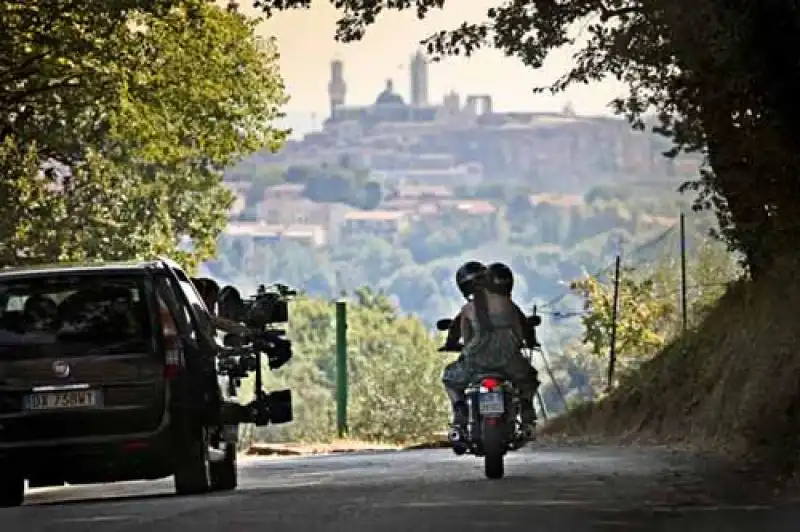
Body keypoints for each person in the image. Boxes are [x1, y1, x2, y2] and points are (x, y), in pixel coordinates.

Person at [441, 261, 539, 434]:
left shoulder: (468, 309)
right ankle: (526, 409)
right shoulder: (509, 305)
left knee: (450, 380)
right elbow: (519, 333)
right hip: (509, 361)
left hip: (476, 362)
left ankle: (460, 409)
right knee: (529, 379)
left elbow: (466, 337)